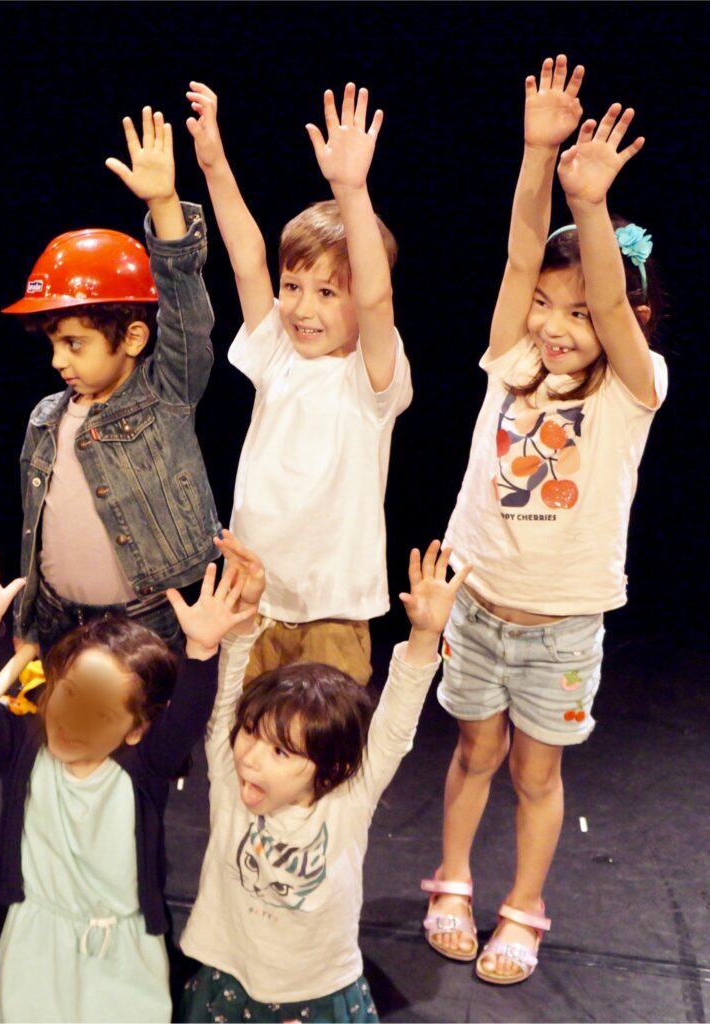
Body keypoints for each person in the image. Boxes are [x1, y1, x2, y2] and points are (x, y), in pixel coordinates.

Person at [421, 56, 667, 985]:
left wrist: (593, 206)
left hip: (562, 625)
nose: (556, 322)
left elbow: (603, 292)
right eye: (544, 307)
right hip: (478, 606)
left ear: (629, 318)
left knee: (534, 774)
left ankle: (522, 905)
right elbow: (523, 253)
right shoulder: (510, 359)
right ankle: (451, 877)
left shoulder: (634, 390)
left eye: (578, 311)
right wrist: (536, 154)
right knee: (472, 751)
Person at [0, 542, 255, 1023]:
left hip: (121, 950)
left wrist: (202, 651)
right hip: (36, 940)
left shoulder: (143, 766)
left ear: (134, 728)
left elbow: (189, 716)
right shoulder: (26, 751)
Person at [172, 531, 470, 1022]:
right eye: (250, 733)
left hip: (316, 989)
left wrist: (424, 636)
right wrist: (246, 613)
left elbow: (394, 726)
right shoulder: (229, 773)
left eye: (280, 751)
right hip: (228, 974)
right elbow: (226, 694)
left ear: (331, 768)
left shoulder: (347, 796)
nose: (251, 758)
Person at [185, 81, 412, 686]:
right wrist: (214, 162)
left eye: (327, 292)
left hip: (332, 614)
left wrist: (351, 189)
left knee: (320, 763)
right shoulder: (277, 356)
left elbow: (375, 290)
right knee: (245, 752)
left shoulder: (372, 380)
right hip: (250, 601)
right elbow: (246, 258)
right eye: (294, 287)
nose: (302, 308)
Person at [3, 106, 220, 658]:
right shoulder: (45, 419)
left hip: (147, 624)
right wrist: (29, 630)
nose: (57, 361)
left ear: (132, 338)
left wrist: (165, 206)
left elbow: (187, 314)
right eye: (52, 343)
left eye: (73, 343)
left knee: (147, 744)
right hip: (59, 621)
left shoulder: (164, 393)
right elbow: (35, 535)